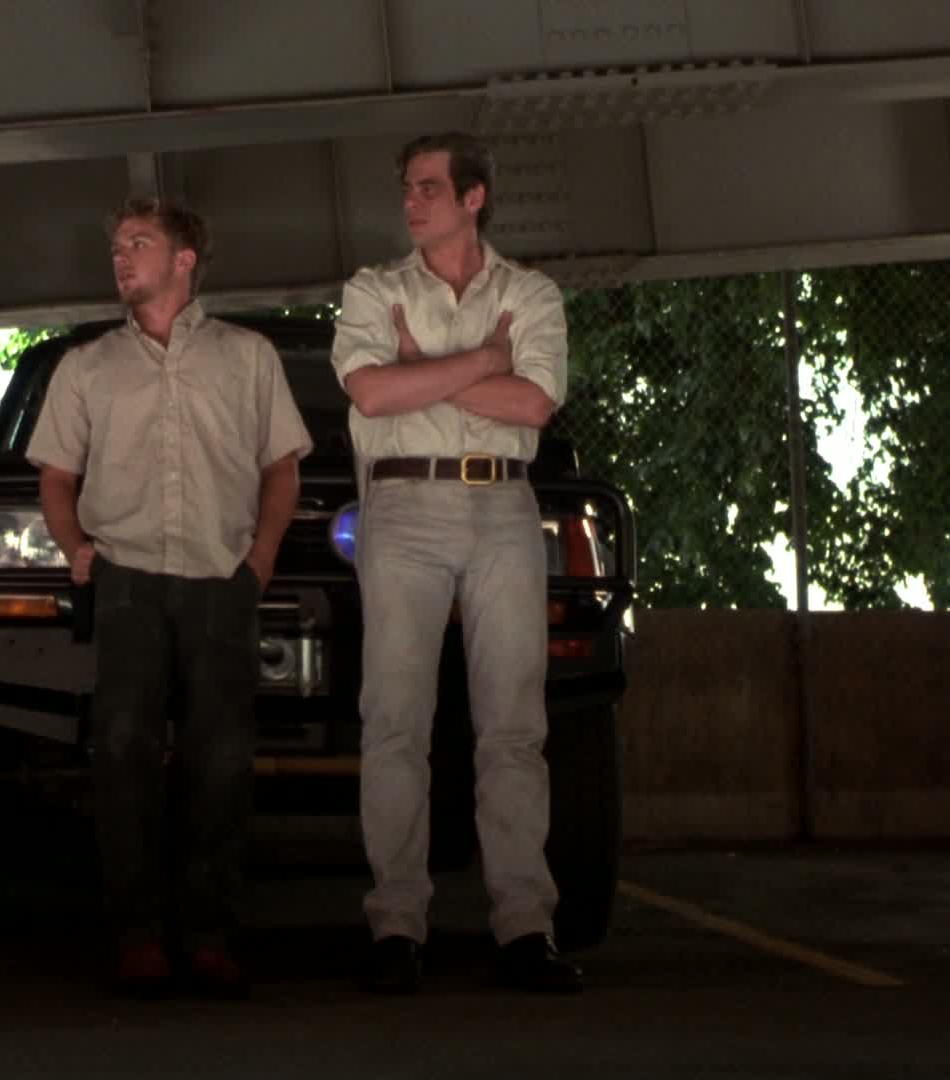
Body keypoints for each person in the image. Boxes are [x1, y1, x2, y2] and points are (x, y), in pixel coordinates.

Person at [27, 197, 311, 999]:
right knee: (122, 749)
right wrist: (76, 550)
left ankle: (211, 936)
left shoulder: (248, 357)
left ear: (185, 260)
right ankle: (138, 936)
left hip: (222, 578)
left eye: (139, 243)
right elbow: (55, 476)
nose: (122, 257)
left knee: (221, 757)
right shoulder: (86, 367)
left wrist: (259, 559)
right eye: (117, 245)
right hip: (126, 580)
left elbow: (281, 466)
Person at [330, 131, 581, 993]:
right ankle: (396, 925)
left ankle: (525, 927)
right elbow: (371, 392)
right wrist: (481, 362)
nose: (412, 201)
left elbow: (535, 402)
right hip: (402, 503)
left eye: (429, 187)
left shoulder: (531, 293)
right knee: (395, 720)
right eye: (408, 187)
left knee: (513, 725)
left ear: (474, 198)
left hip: (504, 503)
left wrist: (424, 370)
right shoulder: (373, 290)